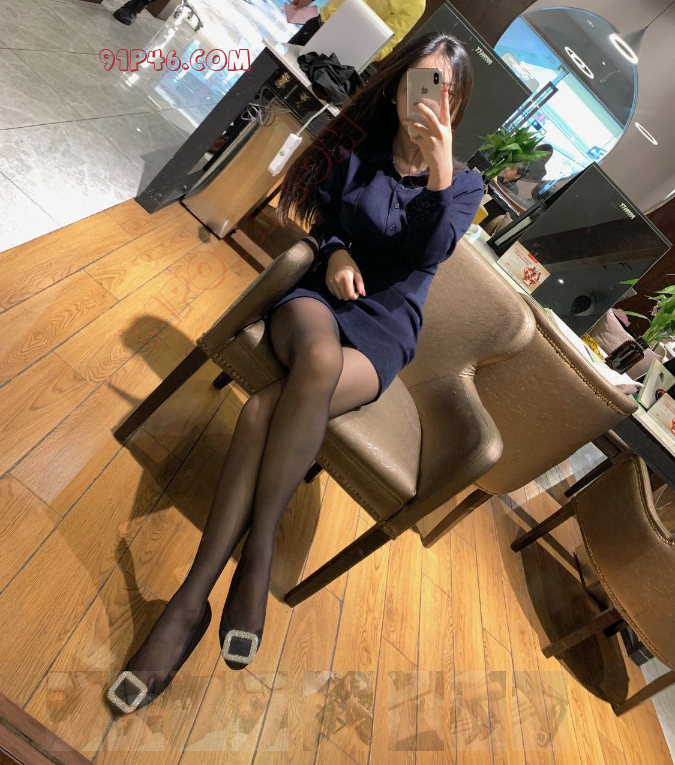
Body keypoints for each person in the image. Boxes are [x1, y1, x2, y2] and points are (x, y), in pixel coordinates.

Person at [106, 30, 483, 716]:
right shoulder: (359, 147)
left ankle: (194, 596)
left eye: (445, 90)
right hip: (316, 301)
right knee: (315, 358)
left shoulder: (463, 183)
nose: (429, 100)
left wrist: (437, 168)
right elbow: (325, 216)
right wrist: (334, 254)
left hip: (385, 329)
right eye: (420, 82)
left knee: (259, 410)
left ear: (457, 105)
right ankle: (252, 564)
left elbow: (426, 253)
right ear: (397, 88)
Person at [290, 0, 426, 62]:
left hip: (337, 55)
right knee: (278, 68)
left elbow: (386, 45)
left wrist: (356, 59)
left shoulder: (415, 3)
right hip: (317, 26)